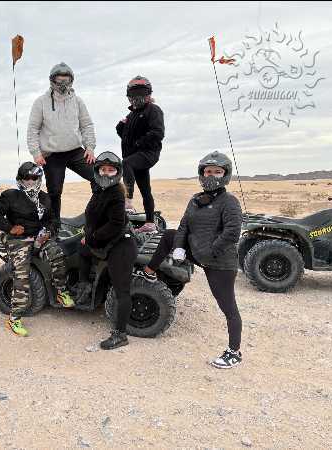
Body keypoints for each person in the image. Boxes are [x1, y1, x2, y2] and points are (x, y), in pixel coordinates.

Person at [142, 151, 243, 368]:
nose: (212, 175)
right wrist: (179, 247)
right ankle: (149, 272)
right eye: (208, 171)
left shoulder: (229, 202)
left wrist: (209, 252)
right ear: (201, 173)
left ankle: (234, 352)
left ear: (225, 174)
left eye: (217, 172)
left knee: (228, 307)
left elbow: (232, 233)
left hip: (220, 262)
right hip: (198, 253)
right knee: (169, 235)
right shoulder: (196, 200)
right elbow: (184, 225)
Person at [0, 162, 75, 337]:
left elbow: (53, 220)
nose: (30, 181)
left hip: (39, 238)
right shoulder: (10, 195)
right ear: (20, 179)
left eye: (34, 178)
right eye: (26, 178)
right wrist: (10, 228)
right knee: (22, 273)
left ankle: (61, 291)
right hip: (17, 239)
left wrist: (47, 231)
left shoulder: (45, 198)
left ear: (39, 179)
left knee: (57, 254)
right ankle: (14, 319)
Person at [75, 151, 138, 350]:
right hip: (105, 242)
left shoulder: (116, 193)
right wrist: (87, 235)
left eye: (111, 170)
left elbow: (116, 224)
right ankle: (84, 287)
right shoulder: (100, 191)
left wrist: (91, 237)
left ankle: (120, 334)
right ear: (97, 171)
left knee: (122, 291)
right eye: (103, 169)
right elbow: (92, 217)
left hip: (120, 245)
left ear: (117, 173)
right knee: (82, 250)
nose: (106, 173)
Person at [27, 62, 97, 230]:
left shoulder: (78, 101)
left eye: (66, 80)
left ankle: (94, 216)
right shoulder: (41, 102)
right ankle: (55, 226)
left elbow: (86, 125)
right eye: (60, 80)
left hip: (75, 151)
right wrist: (36, 153)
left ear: (71, 81)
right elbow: (33, 129)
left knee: (99, 179)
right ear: (53, 81)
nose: (63, 84)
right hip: (51, 154)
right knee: (55, 192)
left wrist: (90, 147)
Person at [116, 76, 165, 232]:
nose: (138, 96)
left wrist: (139, 143)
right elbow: (126, 137)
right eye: (134, 92)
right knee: (145, 190)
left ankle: (128, 200)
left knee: (126, 163)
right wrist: (120, 127)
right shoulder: (131, 115)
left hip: (148, 152)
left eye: (141, 92)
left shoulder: (153, 110)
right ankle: (150, 223)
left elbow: (158, 132)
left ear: (148, 93)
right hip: (135, 155)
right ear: (129, 95)